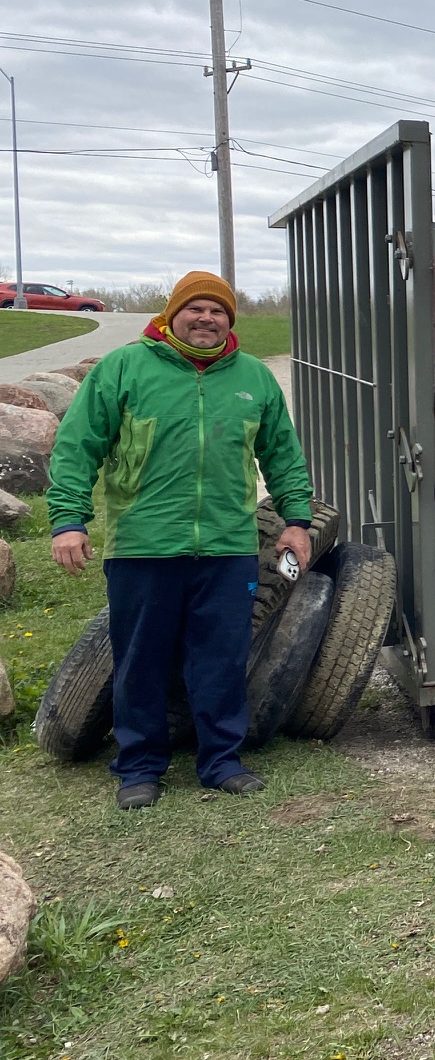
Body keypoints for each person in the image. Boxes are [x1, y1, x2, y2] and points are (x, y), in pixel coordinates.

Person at [47, 272, 315, 809]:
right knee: (140, 659)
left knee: (220, 659)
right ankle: (140, 767)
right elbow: (77, 447)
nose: (206, 319)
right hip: (144, 544)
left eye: (218, 311)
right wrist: (68, 519)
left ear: (229, 321)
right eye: (195, 308)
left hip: (227, 544)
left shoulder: (253, 378)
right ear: (173, 314)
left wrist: (297, 520)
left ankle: (221, 762)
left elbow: (282, 453)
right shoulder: (123, 368)